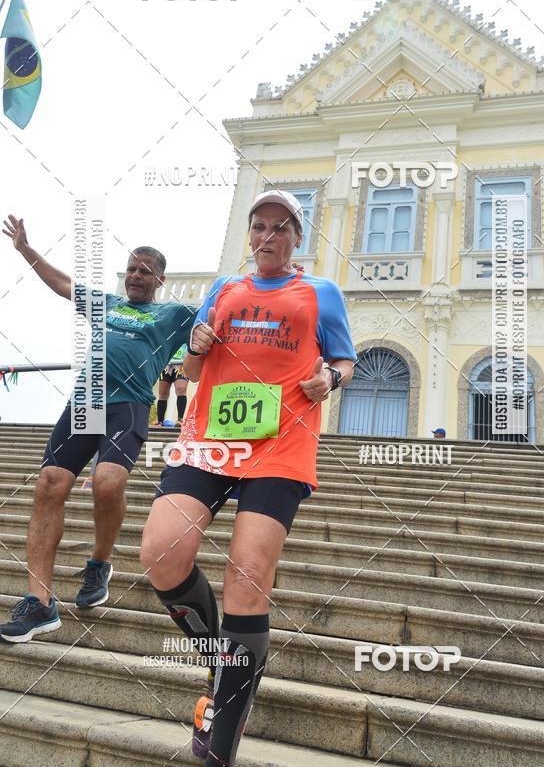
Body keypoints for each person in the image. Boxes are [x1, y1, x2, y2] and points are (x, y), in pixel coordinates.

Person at [139, 190, 356, 766]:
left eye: (279, 228)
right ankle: (219, 658)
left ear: (296, 237)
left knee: (247, 575)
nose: (266, 237)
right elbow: (190, 367)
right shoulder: (224, 290)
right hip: (210, 439)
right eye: (258, 227)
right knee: (162, 553)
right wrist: (194, 342)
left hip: (281, 443)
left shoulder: (320, 292)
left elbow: (343, 361)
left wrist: (327, 382)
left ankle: (222, 741)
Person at [0, 214, 197, 642]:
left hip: (128, 406)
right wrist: (26, 249)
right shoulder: (107, 304)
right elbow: (65, 285)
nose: (136, 275)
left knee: (107, 483)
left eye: (145, 271)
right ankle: (39, 603)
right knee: (49, 483)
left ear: (160, 279)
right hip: (85, 401)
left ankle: (99, 563)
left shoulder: (173, 313)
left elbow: (220, 315)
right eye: (131, 268)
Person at [152, 344, 189, 427]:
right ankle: (160, 421)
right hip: (167, 363)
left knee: (181, 388)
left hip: (182, 363)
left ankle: (180, 419)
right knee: (163, 393)